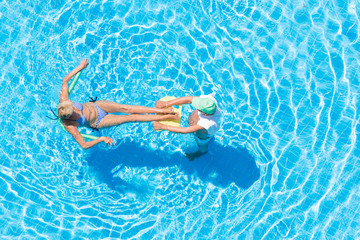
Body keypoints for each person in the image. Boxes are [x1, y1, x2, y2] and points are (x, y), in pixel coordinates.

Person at [57, 59, 178, 149]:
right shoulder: (70, 126)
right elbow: (83, 144)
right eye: (74, 112)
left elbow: (65, 80)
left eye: (74, 107)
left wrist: (80, 67)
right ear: (68, 116)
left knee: (126, 108)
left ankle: (162, 111)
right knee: (131, 118)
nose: (78, 110)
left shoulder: (64, 102)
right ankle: (165, 117)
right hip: (99, 121)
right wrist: (101, 138)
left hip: (97, 105)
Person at [152, 95, 221, 160]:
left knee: (202, 146)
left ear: (205, 114)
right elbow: (188, 99)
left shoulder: (207, 123)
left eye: (198, 108)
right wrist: (166, 104)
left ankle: (200, 153)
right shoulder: (210, 102)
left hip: (201, 136)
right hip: (198, 126)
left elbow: (185, 130)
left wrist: (162, 126)